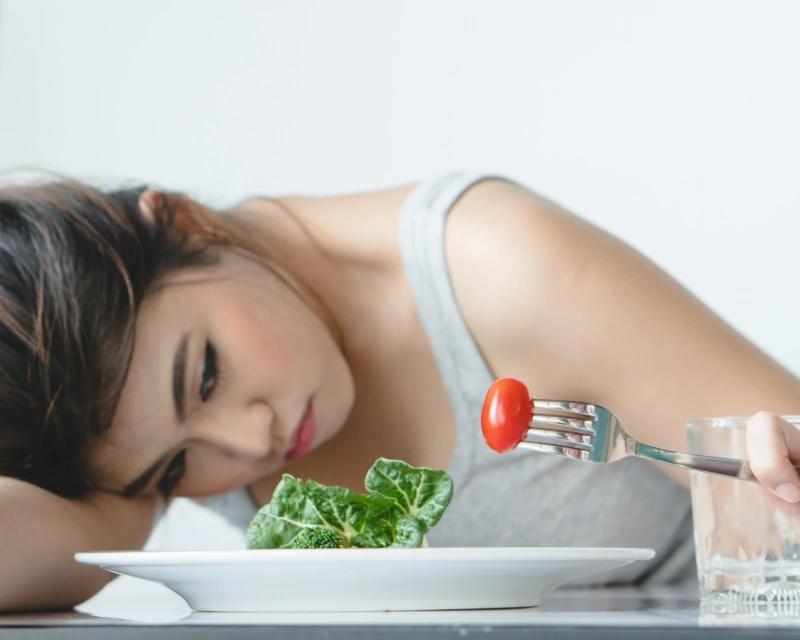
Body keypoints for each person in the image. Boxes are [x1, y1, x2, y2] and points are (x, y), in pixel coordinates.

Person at [1, 171, 799, 611]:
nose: (248, 447)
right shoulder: (137, 429)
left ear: (186, 223)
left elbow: (778, 471)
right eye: (174, 472)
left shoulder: (500, 266)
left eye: (206, 374)